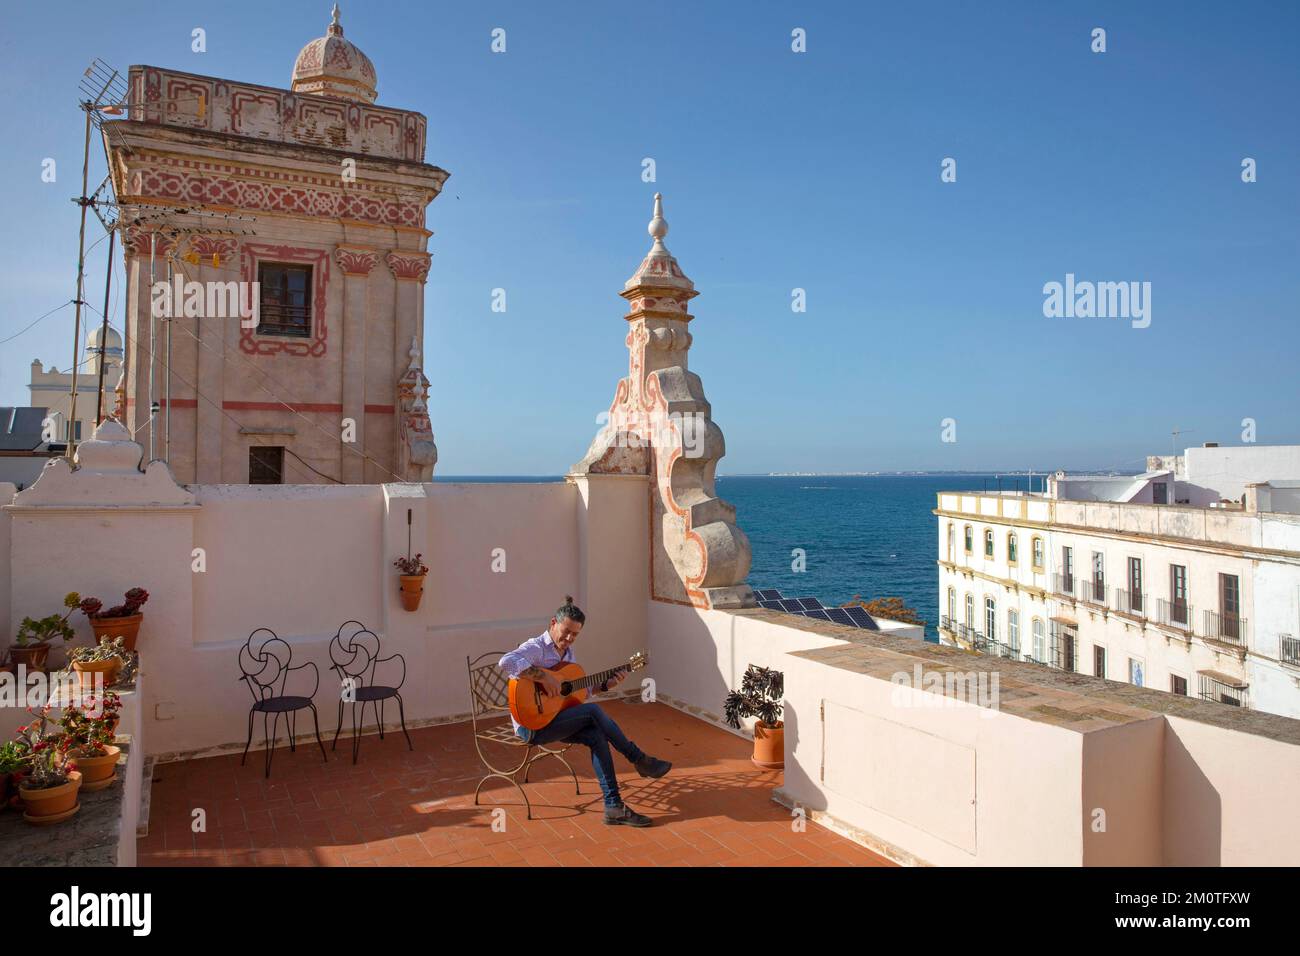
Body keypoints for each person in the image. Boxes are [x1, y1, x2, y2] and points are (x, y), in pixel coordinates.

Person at [498, 595, 670, 827]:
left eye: (575, 634)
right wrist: (543, 675)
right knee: (593, 713)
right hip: (531, 726)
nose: (569, 638)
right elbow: (506, 662)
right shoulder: (536, 647)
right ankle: (638, 758)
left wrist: (604, 686)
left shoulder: (568, 656)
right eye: (566, 631)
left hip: (555, 719)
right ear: (553, 623)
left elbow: (575, 696)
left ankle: (614, 807)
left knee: (596, 734)